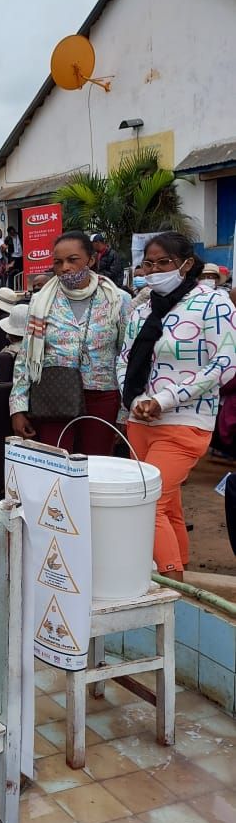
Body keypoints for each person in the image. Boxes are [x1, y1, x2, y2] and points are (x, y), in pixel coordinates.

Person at [118, 232, 236, 580]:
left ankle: (171, 584)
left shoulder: (213, 304)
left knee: (146, 501)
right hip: (139, 422)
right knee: (167, 505)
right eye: (148, 264)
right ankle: (180, 573)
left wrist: (166, 399)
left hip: (187, 420)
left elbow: (224, 363)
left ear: (186, 264)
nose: (153, 271)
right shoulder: (142, 311)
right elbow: (124, 360)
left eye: (163, 263)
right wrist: (138, 400)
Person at [10, 230, 129, 455]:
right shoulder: (41, 301)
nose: (65, 267)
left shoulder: (117, 299)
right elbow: (26, 356)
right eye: (58, 262)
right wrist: (18, 408)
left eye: (73, 260)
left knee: (96, 466)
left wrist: (124, 411)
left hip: (101, 397)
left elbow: (126, 356)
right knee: (56, 465)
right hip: (54, 394)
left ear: (91, 260)